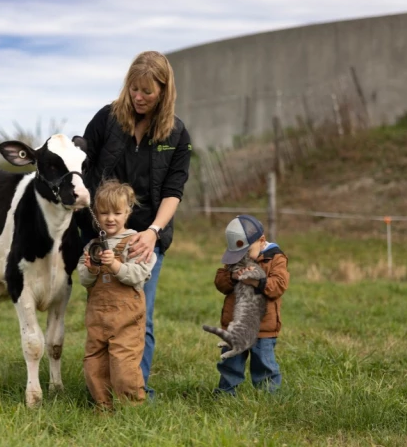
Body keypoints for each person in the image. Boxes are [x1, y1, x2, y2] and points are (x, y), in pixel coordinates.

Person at [80, 50, 192, 395]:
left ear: (164, 91)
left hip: (146, 236)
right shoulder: (107, 120)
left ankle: (135, 391)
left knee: (141, 316)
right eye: (134, 90)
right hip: (103, 234)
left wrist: (153, 231)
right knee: (103, 316)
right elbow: (83, 171)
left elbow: (174, 190)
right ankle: (102, 390)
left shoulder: (176, 133)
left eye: (147, 91)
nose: (139, 98)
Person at [78, 180, 157, 409]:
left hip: (126, 318)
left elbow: (138, 275)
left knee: (124, 364)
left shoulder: (136, 242)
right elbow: (84, 279)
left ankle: (131, 408)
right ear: (96, 215)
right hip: (97, 318)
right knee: (94, 364)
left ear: (127, 213)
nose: (110, 218)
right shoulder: (92, 246)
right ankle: (104, 406)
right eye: (103, 213)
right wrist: (92, 270)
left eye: (116, 212)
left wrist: (114, 265)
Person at [212, 214, 290, 395]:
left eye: (246, 253)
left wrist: (258, 281)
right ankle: (226, 394)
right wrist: (232, 276)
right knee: (230, 363)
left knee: (264, 365)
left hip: (263, 327)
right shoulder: (235, 258)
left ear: (261, 241)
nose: (242, 257)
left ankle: (270, 397)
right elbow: (220, 282)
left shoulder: (276, 258)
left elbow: (279, 285)